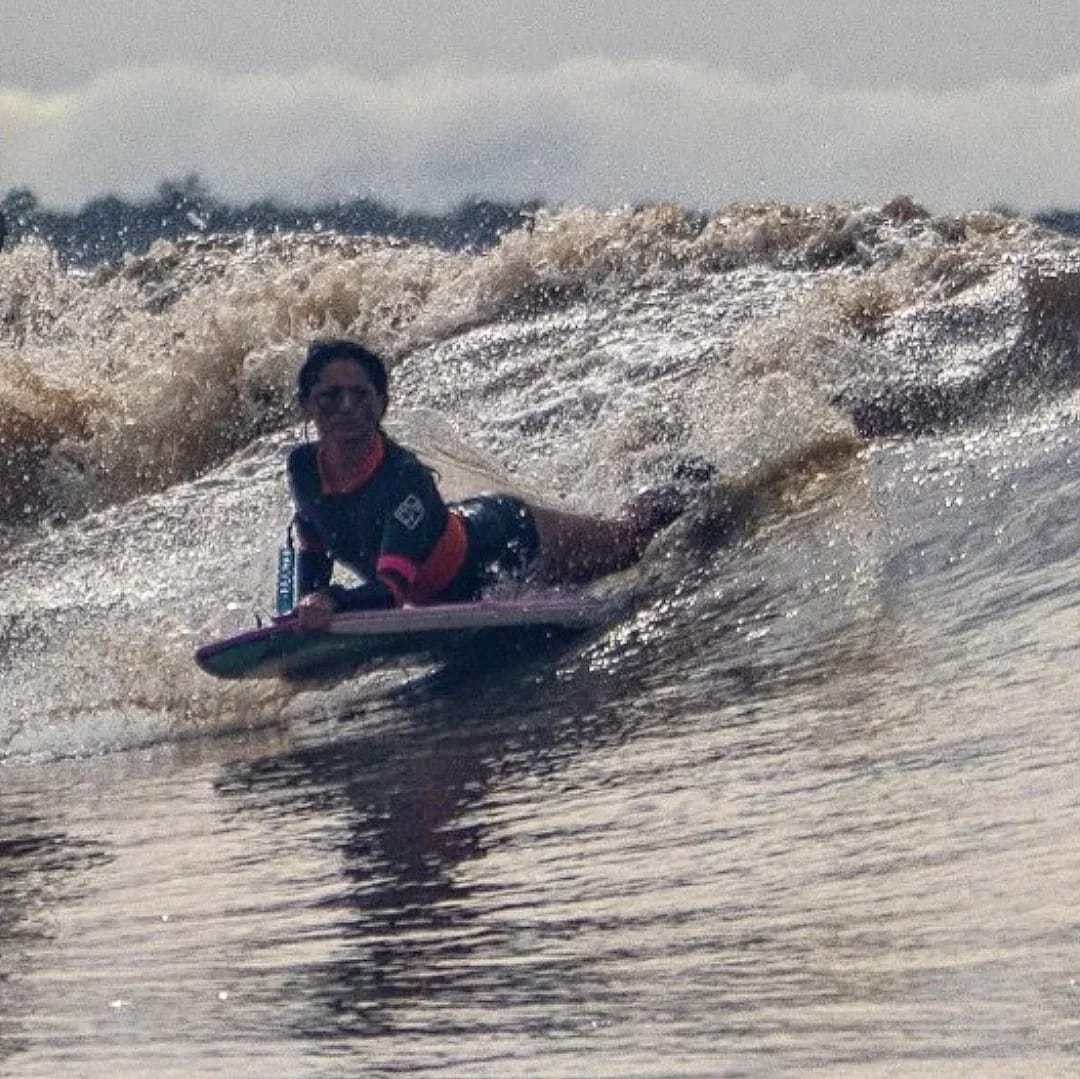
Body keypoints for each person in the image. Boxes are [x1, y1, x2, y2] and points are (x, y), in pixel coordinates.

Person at [287, 338, 690, 630]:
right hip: (463, 551)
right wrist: (302, 609)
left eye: (360, 395)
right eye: (329, 396)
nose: (346, 408)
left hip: (507, 539)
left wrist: (331, 602)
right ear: (306, 405)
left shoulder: (403, 480)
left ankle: (691, 486)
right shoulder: (303, 468)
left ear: (380, 404)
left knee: (629, 542)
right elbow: (313, 542)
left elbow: (391, 592)